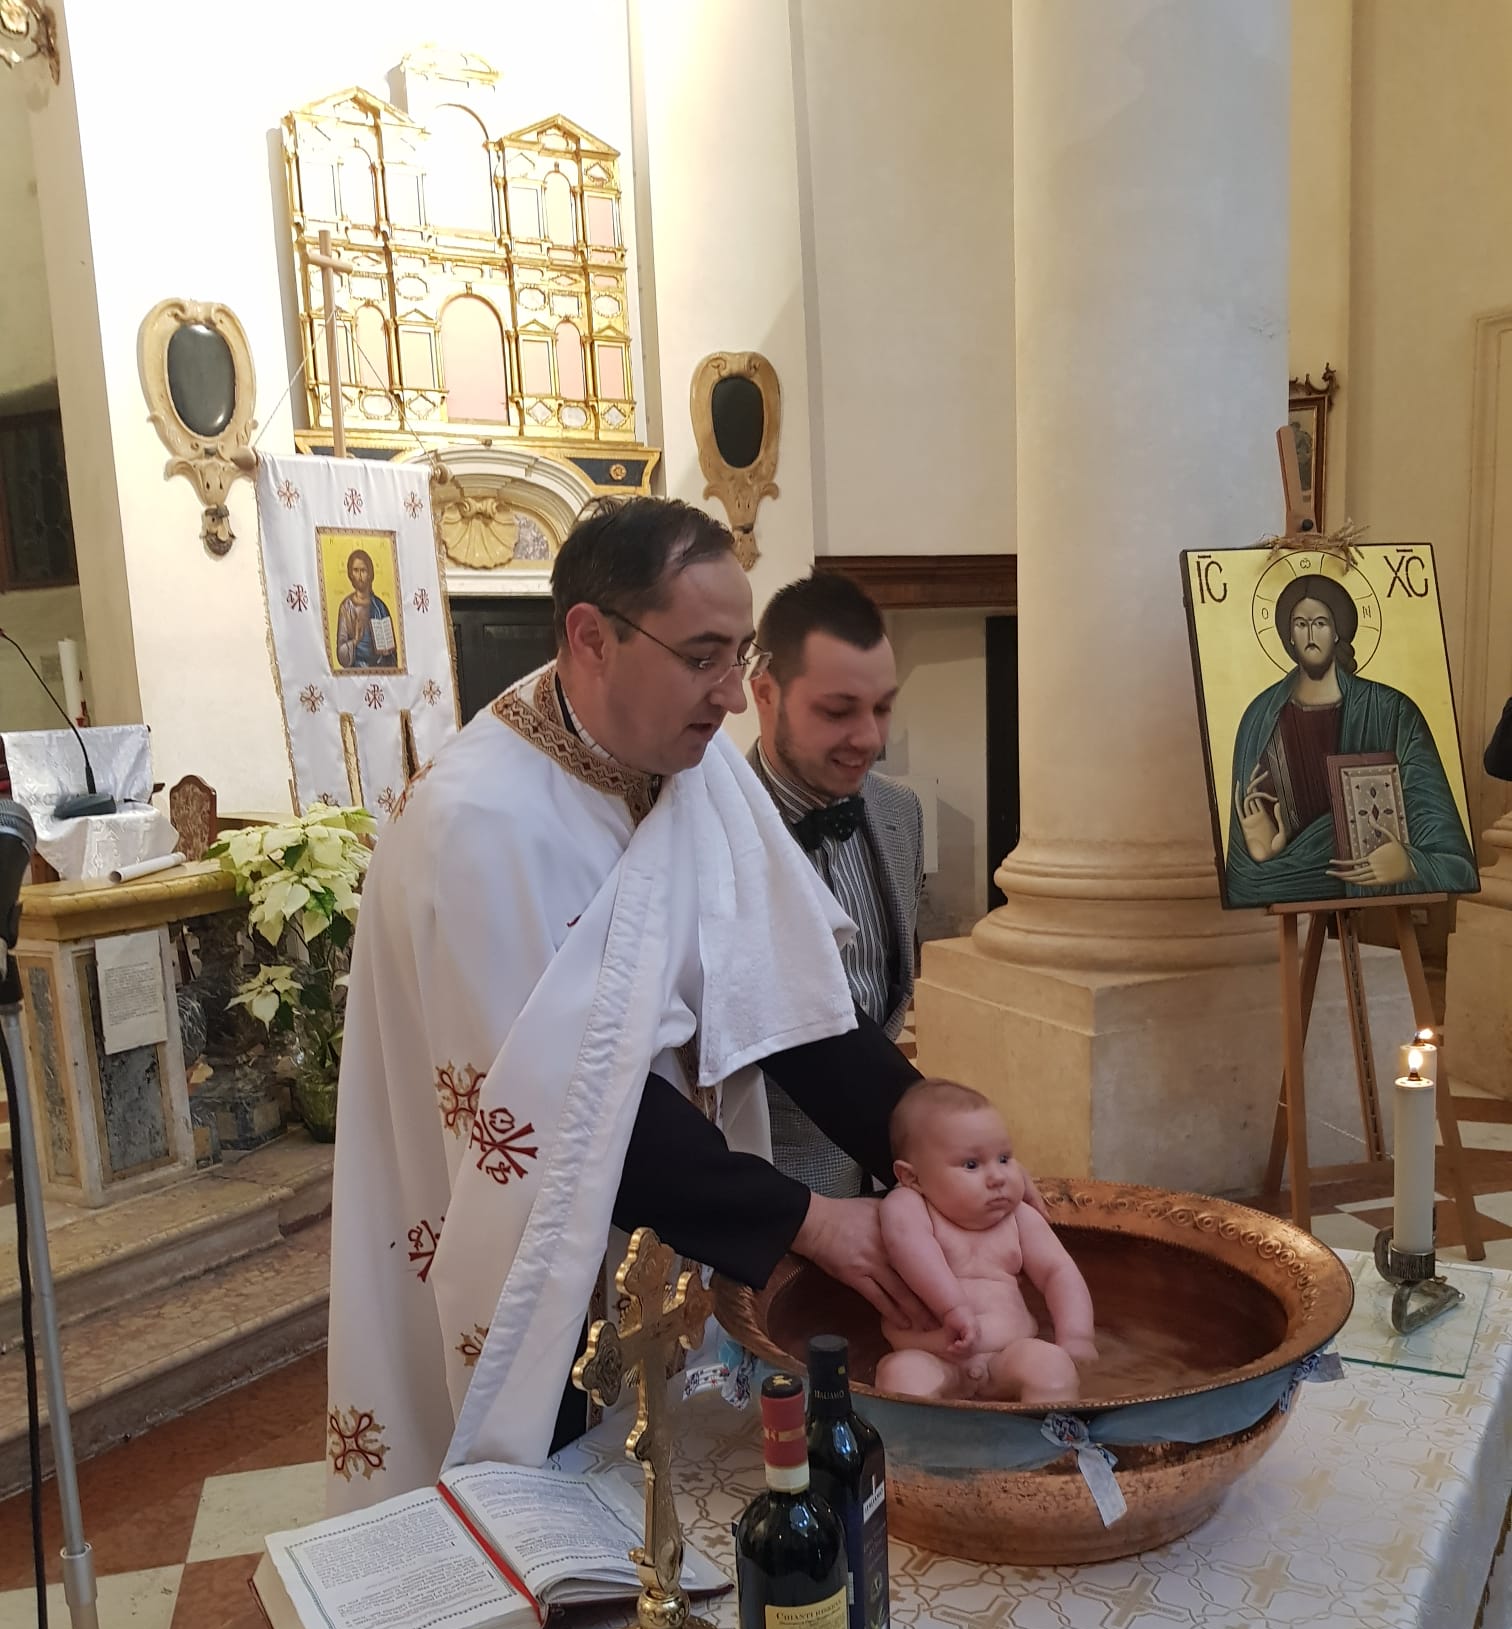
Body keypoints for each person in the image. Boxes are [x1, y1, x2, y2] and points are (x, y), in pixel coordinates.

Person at [327, 498, 934, 1507]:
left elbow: (782, 990)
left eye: (738, 655)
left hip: (664, 1221)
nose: (732, 697)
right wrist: (811, 1221)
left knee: (671, 1493)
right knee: (547, 1509)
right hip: (532, 1249)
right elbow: (563, 1112)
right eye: (702, 657)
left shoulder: (689, 766)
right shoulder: (479, 828)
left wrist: (925, 1132)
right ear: (591, 638)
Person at [749, 572, 923, 1196]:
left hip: (891, 1177)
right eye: (838, 711)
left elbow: (884, 991)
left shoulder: (901, 812)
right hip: (776, 1182)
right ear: (764, 692)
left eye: (882, 707)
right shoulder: (714, 834)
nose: (870, 738)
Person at [1227, 572, 1477, 905]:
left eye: (1320, 623)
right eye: (1300, 624)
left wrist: (1411, 863)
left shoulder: (1391, 711)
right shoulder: (1260, 718)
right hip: (1281, 878)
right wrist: (1261, 854)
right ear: (1289, 636)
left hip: (1376, 873)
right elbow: (1244, 869)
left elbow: (1447, 848)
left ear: (1337, 632)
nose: (1310, 634)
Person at [875, 1080, 1096, 1405]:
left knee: (1052, 1367)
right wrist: (952, 1308)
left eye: (1005, 1158)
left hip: (1008, 1356)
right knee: (901, 1376)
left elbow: (1058, 1272)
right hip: (933, 1359)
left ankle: (1052, 1436)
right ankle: (920, 1439)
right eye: (972, 1164)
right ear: (912, 1177)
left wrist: (1077, 1336)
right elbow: (909, 1247)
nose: (998, 1177)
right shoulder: (909, 1206)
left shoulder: (1018, 1218)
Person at [335, 548, 398, 669]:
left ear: (370, 574)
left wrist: (387, 651)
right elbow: (341, 652)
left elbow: (392, 653)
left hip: (380, 669)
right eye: (355, 570)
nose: (359, 576)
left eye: (363, 570)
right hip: (356, 670)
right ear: (350, 574)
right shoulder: (346, 607)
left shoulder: (379, 606)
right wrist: (355, 641)